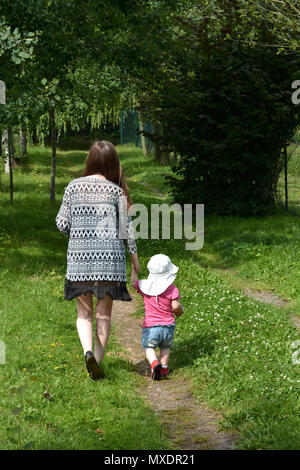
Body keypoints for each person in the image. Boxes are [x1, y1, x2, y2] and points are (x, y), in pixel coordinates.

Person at [56, 140, 139, 380]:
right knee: (104, 315)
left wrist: (79, 230)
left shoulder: (73, 187)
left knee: (84, 315)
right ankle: (97, 364)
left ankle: (87, 353)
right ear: (113, 163)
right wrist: (135, 262)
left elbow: (62, 223)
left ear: (90, 161)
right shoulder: (116, 191)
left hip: (80, 261)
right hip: (110, 263)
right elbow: (126, 231)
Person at [131, 254, 184, 380]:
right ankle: (164, 368)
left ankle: (154, 362)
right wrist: (180, 311)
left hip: (150, 326)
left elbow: (133, 282)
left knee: (149, 347)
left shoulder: (145, 286)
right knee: (165, 347)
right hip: (168, 326)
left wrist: (134, 269)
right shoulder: (172, 289)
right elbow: (176, 306)